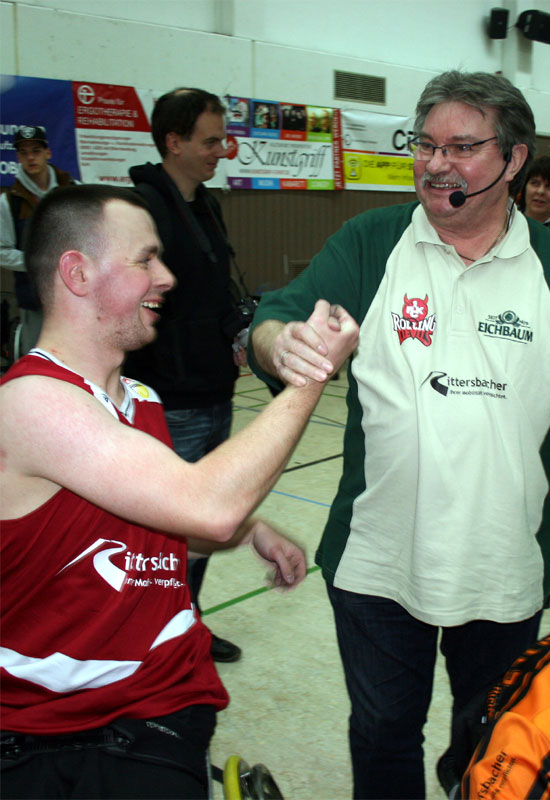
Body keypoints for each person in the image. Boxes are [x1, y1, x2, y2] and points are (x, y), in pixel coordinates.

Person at [248, 70, 550, 799]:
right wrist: (281, 346)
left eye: (462, 147)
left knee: (490, 748)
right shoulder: (372, 241)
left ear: (515, 159)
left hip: (502, 568)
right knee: (382, 736)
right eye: (425, 144)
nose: (435, 163)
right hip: (376, 565)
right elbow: (277, 317)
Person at [0, 184, 358, 799]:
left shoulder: (140, 401)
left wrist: (252, 530)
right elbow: (208, 507)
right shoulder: (31, 402)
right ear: (76, 273)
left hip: (160, 705)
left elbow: (168, 513)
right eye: (145, 259)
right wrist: (312, 373)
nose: (165, 276)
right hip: (57, 730)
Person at [125, 88, 247, 663]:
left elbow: (214, 290)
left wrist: (237, 333)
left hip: (214, 390)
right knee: (165, 535)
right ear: (173, 142)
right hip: (169, 399)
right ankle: (155, 638)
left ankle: (184, 627)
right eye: (210, 140)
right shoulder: (142, 209)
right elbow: (134, 306)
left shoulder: (207, 205)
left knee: (194, 533)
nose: (221, 151)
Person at [0, 125, 78, 358]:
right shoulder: (8, 203)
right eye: (24, 152)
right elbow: (2, 252)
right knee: (39, 364)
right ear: (18, 157)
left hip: (76, 298)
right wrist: (38, 261)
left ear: (48, 153)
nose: (30, 157)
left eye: (36, 150)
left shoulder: (73, 192)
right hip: (34, 302)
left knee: (79, 361)